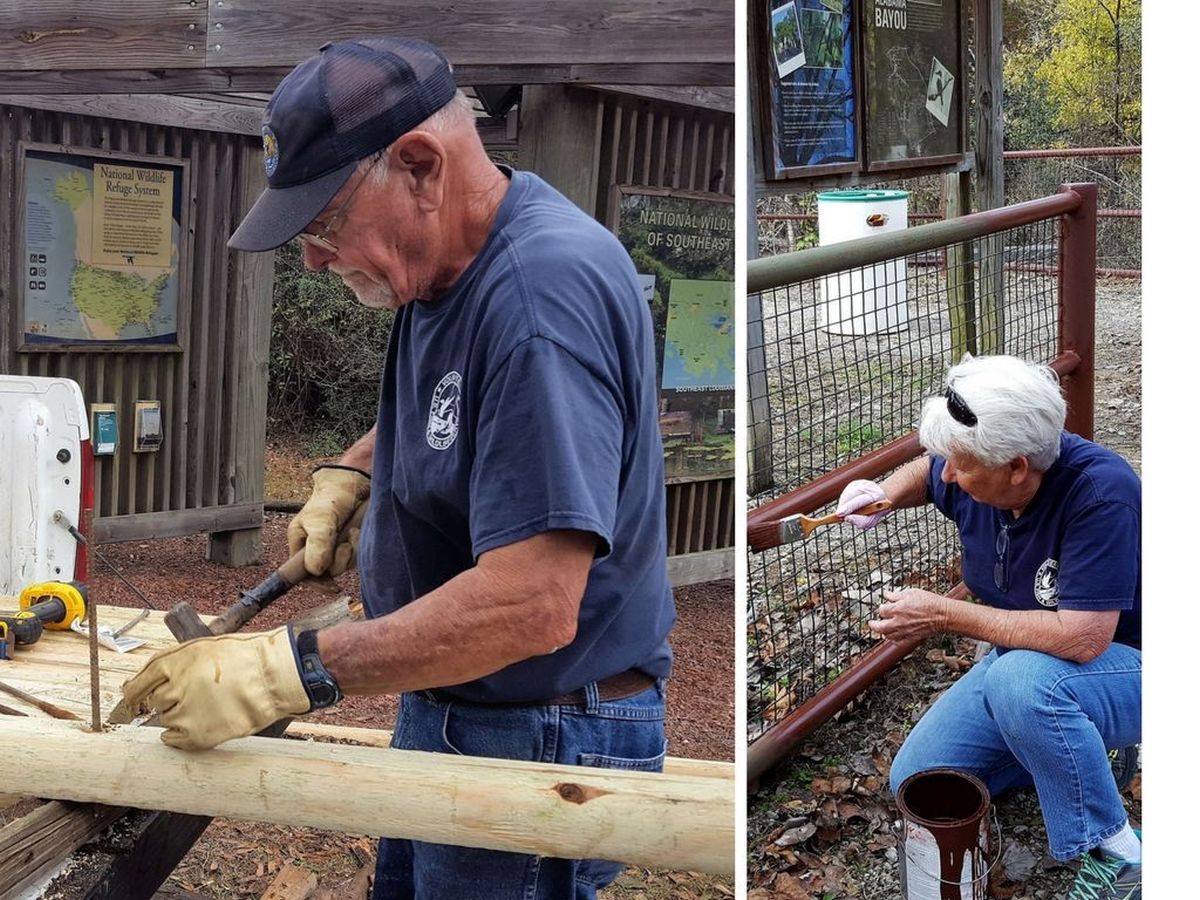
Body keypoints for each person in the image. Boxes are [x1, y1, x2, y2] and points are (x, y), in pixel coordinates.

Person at [122, 37, 675, 899]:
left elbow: (532, 604)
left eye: (323, 223)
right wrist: (357, 470)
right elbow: (472, 412)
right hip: (470, 701)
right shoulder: (447, 271)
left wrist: (288, 669)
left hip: (543, 725)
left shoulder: (538, 299)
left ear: (419, 166)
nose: (311, 258)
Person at [836, 355, 1141, 900]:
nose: (949, 474)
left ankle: (1121, 856)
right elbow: (928, 473)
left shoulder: (1101, 494)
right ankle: (1072, 748)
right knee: (922, 778)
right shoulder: (981, 468)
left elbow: (1084, 638)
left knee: (1019, 682)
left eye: (961, 463)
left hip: (1128, 664)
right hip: (1032, 666)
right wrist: (883, 494)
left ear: (1018, 468)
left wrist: (944, 613)